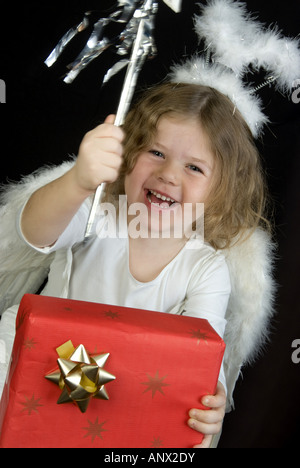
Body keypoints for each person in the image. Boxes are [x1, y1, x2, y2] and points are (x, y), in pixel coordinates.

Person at [1, 83, 270, 448]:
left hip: (126, 406)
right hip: (42, 376)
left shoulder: (205, 268)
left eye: (194, 167)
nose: (169, 174)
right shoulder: (97, 215)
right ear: (128, 155)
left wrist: (212, 396)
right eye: (156, 152)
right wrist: (79, 180)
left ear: (221, 191)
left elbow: (203, 354)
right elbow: (35, 232)